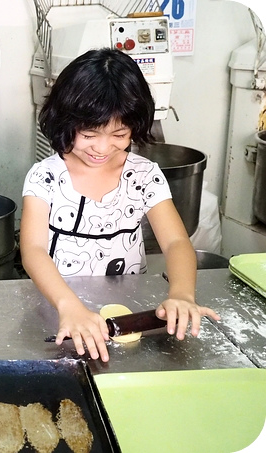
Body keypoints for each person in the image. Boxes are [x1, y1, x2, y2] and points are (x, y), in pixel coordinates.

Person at [19, 48, 219, 362]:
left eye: (119, 134)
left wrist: (181, 293)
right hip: (60, 308)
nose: (102, 147)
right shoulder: (46, 176)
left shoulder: (143, 175)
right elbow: (32, 249)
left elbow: (177, 241)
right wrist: (69, 306)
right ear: (65, 121)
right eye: (88, 133)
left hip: (128, 312)